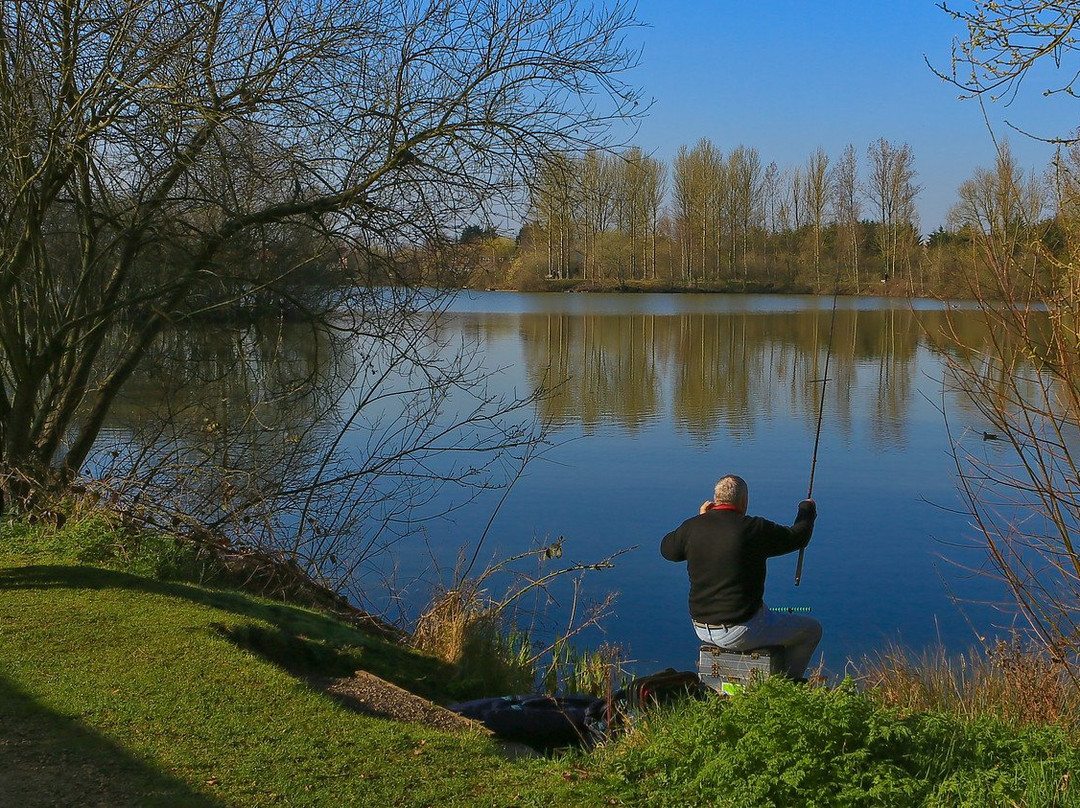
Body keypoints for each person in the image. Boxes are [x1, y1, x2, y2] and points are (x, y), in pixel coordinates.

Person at [660, 474, 822, 680]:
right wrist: (806, 509)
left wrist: (701, 519)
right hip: (741, 631)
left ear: (714, 499)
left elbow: (667, 549)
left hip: (701, 627)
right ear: (744, 501)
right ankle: (787, 688)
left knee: (764, 612)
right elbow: (798, 537)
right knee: (812, 630)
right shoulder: (753, 529)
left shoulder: (693, 526)